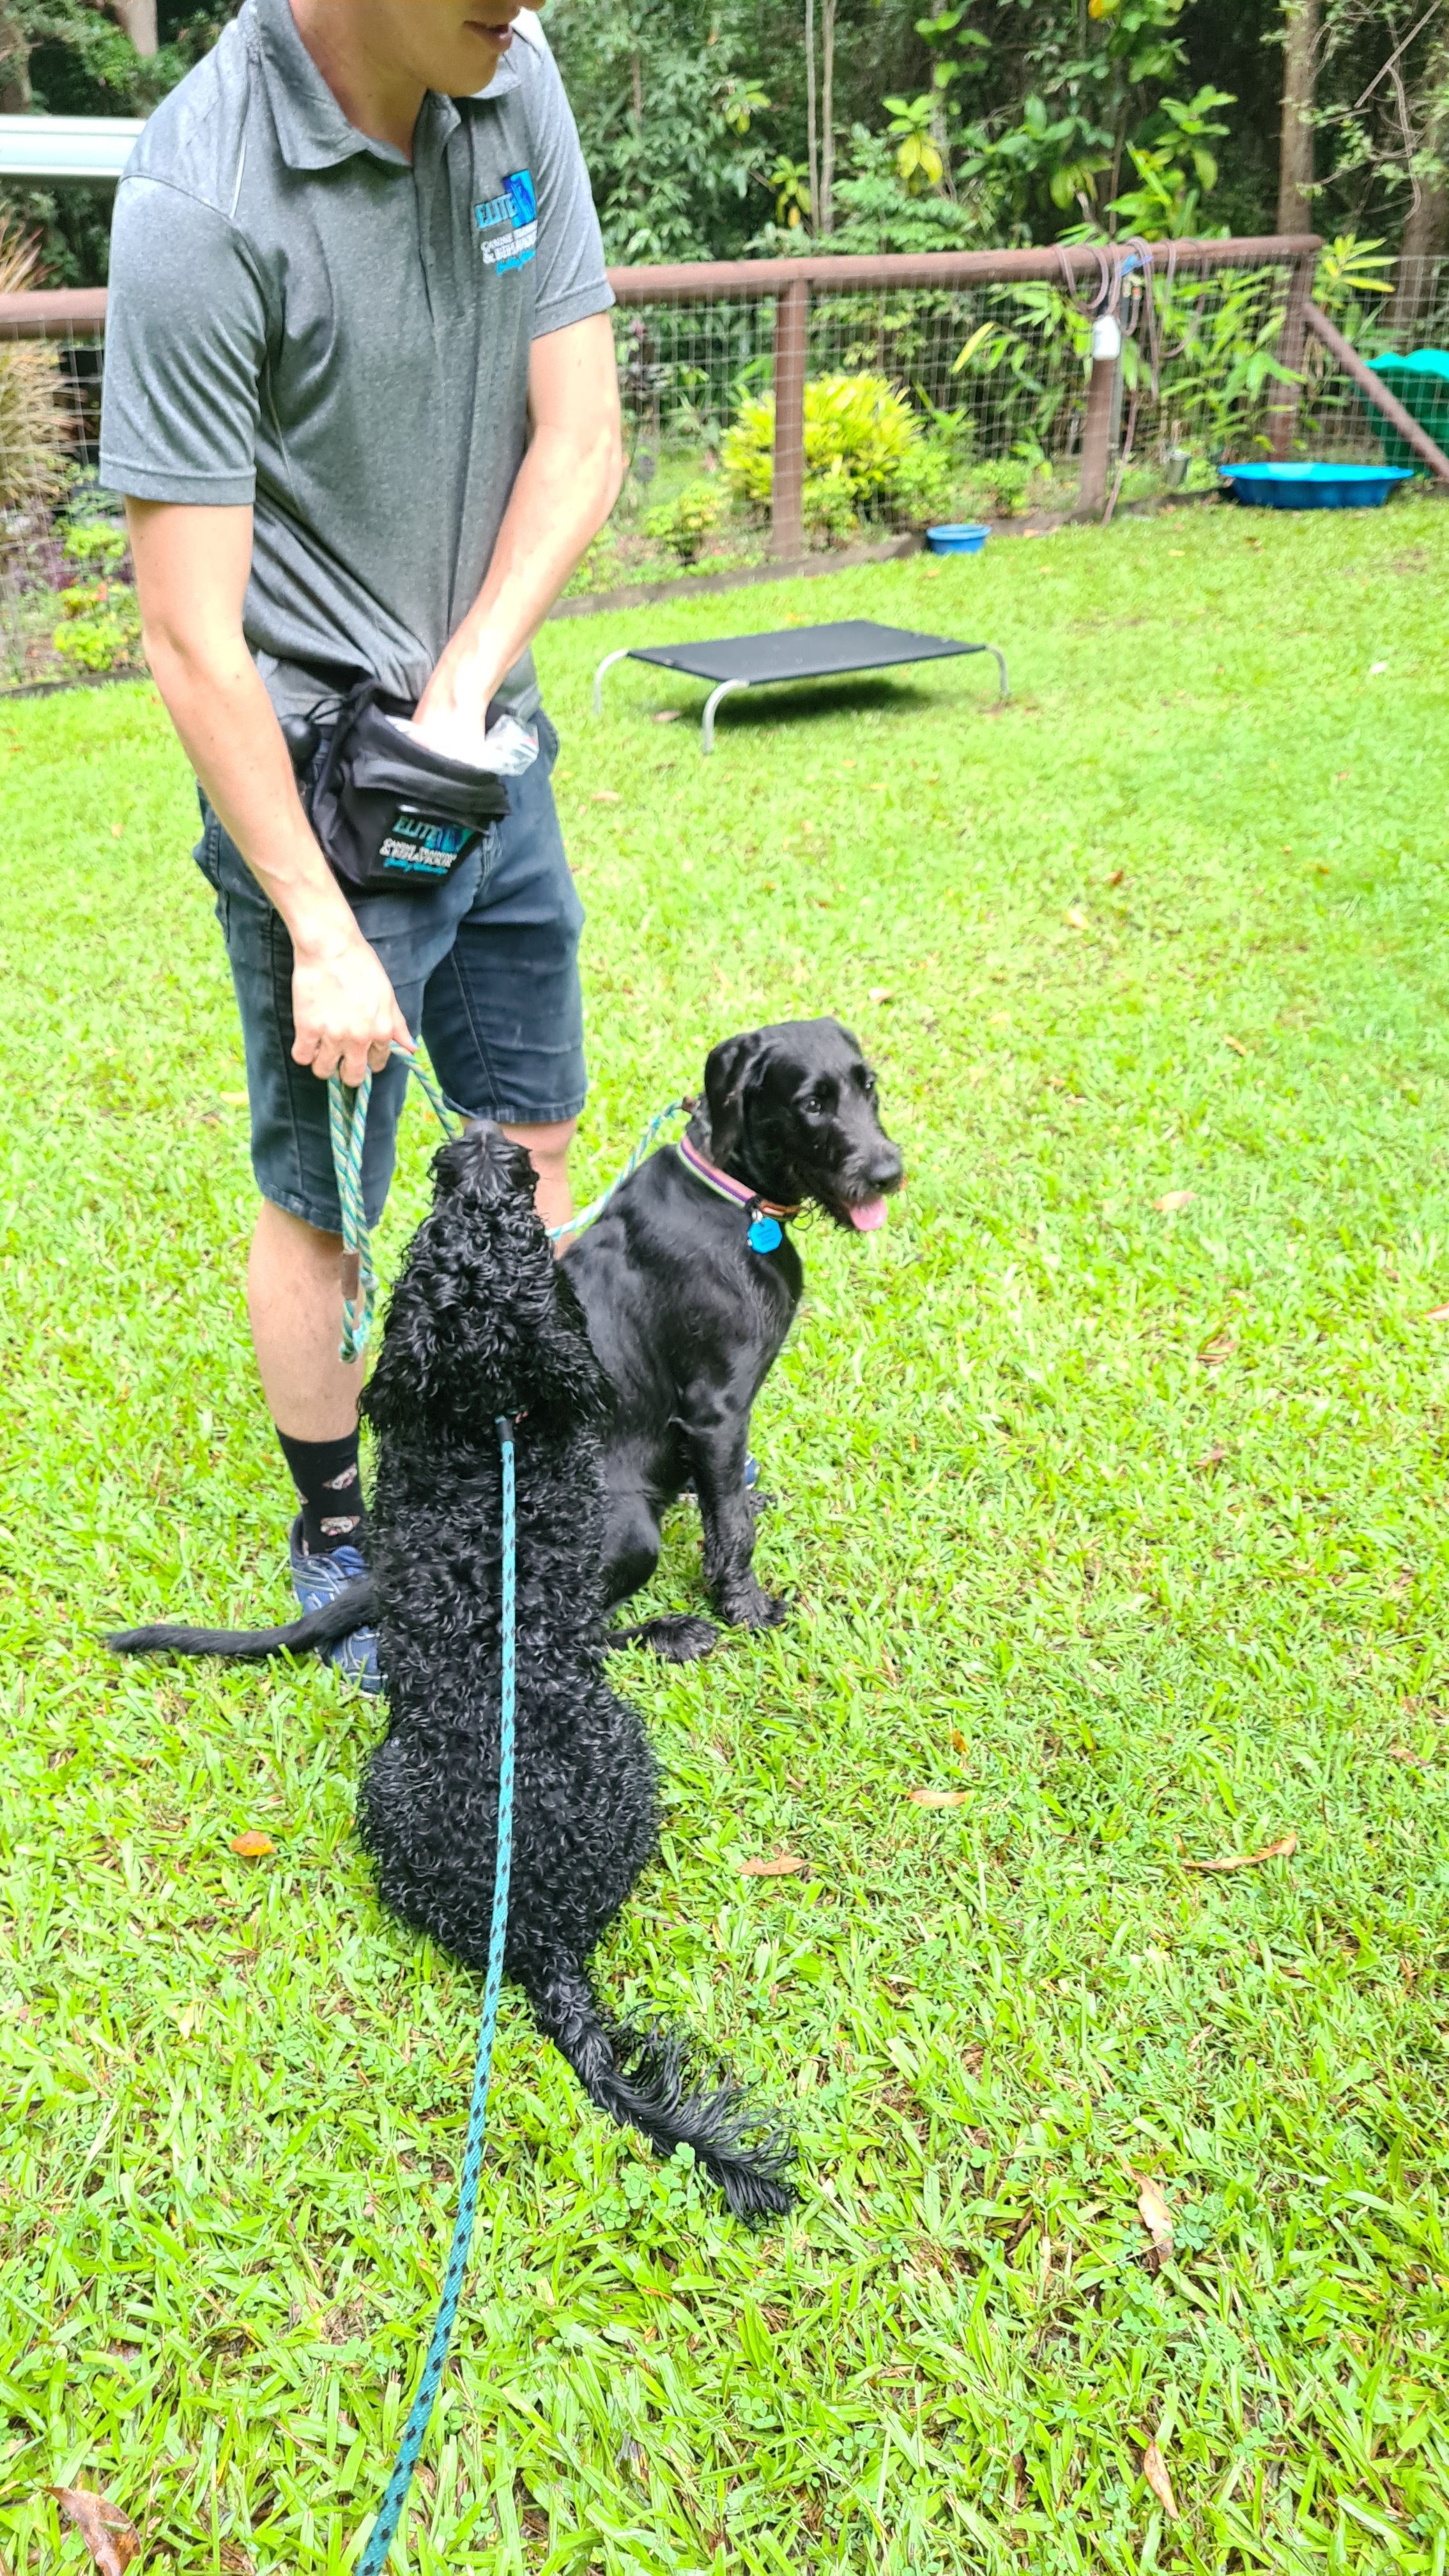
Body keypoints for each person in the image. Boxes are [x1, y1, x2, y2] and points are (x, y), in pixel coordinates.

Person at [99, 0, 623, 1688]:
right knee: (326, 1194)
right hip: (317, 786)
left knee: (531, 1130)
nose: (523, 1)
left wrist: (466, 684)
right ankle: (340, 1533)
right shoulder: (202, 200)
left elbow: (584, 435)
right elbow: (189, 637)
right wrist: (321, 927)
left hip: (486, 740)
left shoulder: (509, 71)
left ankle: (507, 1468)